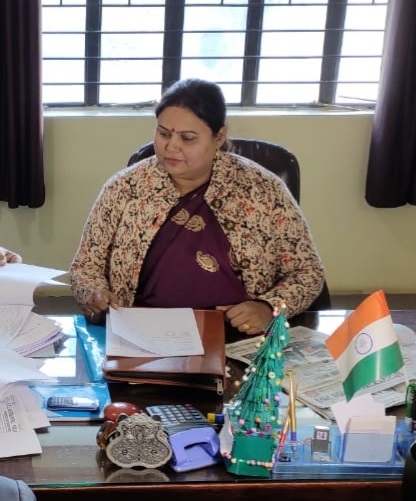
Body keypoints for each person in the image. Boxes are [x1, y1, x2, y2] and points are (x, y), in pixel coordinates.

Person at [70, 78, 325, 335]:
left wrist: (268, 307)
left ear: (219, 137)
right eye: (163, 133)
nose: (171, 146)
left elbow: (308, 273)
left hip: (238, 336)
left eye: (188, 138)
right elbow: (86, 267)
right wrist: (94, 293)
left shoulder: (263, 189)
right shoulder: (125, 188)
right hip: (142, 334)